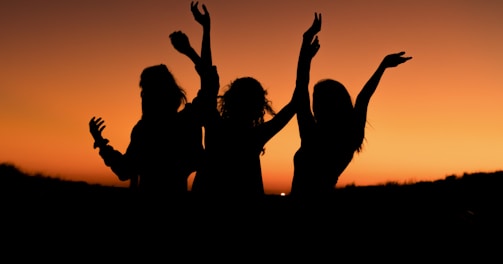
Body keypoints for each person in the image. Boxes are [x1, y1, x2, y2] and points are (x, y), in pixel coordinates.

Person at [174, 4, 302, 200]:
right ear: (259, 107)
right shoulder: (255, 135)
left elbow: (208, 78)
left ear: (228, 99)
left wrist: (202, 34)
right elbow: (296, 102)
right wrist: (305, 54)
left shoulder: (215, 125)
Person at [88, 2, 214, 200]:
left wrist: (101, 143)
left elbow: (124, 170)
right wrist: (198, 38)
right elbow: (209, 84)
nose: (142, 95)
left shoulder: (145, 130)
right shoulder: (183, 122)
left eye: (145, 90)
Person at [290, 19, 412, 199]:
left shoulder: (311, 134)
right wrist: (382, 67)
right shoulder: (350, 136)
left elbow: (301, 85)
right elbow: (363, 98)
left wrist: (305, 46)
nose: (313, 106)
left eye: (317, 101)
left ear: (327, 105)